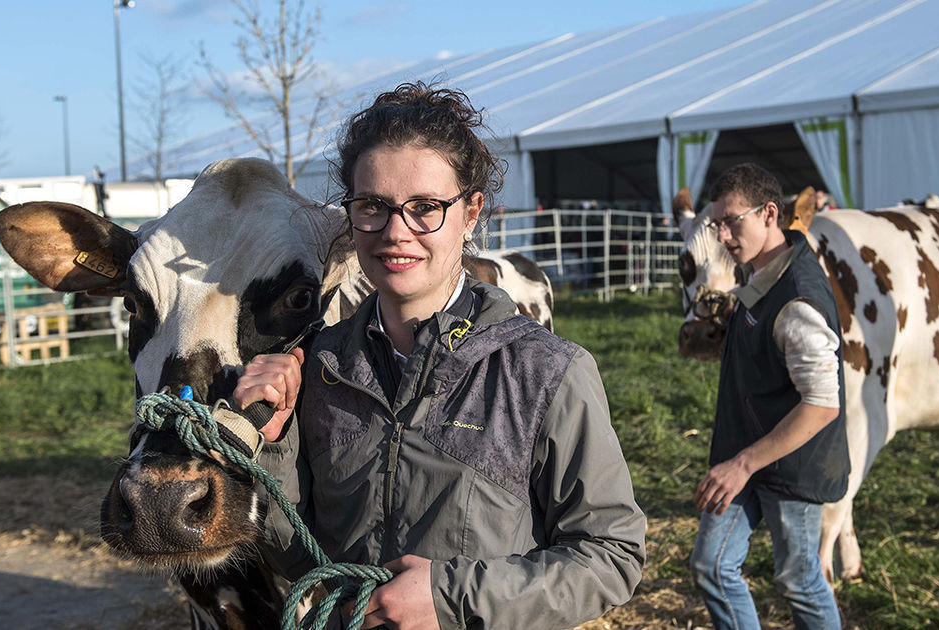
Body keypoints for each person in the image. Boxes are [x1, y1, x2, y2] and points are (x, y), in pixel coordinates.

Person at [233, 82, 645, 630]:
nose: (395, 232)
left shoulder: (546, 373)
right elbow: (305, 561)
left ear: (471, 212)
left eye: (425, 208)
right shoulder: (319, 368)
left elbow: (611, 557)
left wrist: (451, 599)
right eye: (372, 207)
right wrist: (274, 447)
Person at [689, 163, 849, 630]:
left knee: (799, 577)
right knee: (712, 567)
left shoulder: (798, 300)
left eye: (732, 221)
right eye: (717, 223)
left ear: (769, 214)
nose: (721, 235)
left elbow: (822, 406)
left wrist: (742, 464)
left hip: (791, 463)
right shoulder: (762, 276)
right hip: (750, 450)